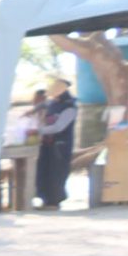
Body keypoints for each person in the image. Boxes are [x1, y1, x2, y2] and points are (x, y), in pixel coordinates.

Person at [35, 78, 79, 209]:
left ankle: (54, 201)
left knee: (56, 172)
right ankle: (45, 199)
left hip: (61, 145)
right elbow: (44, 105)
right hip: (48, 144)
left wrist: (39, 130)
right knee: (44, 170)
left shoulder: (70, 107)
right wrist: (31, 111)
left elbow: (59, 127)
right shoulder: (53, 103)